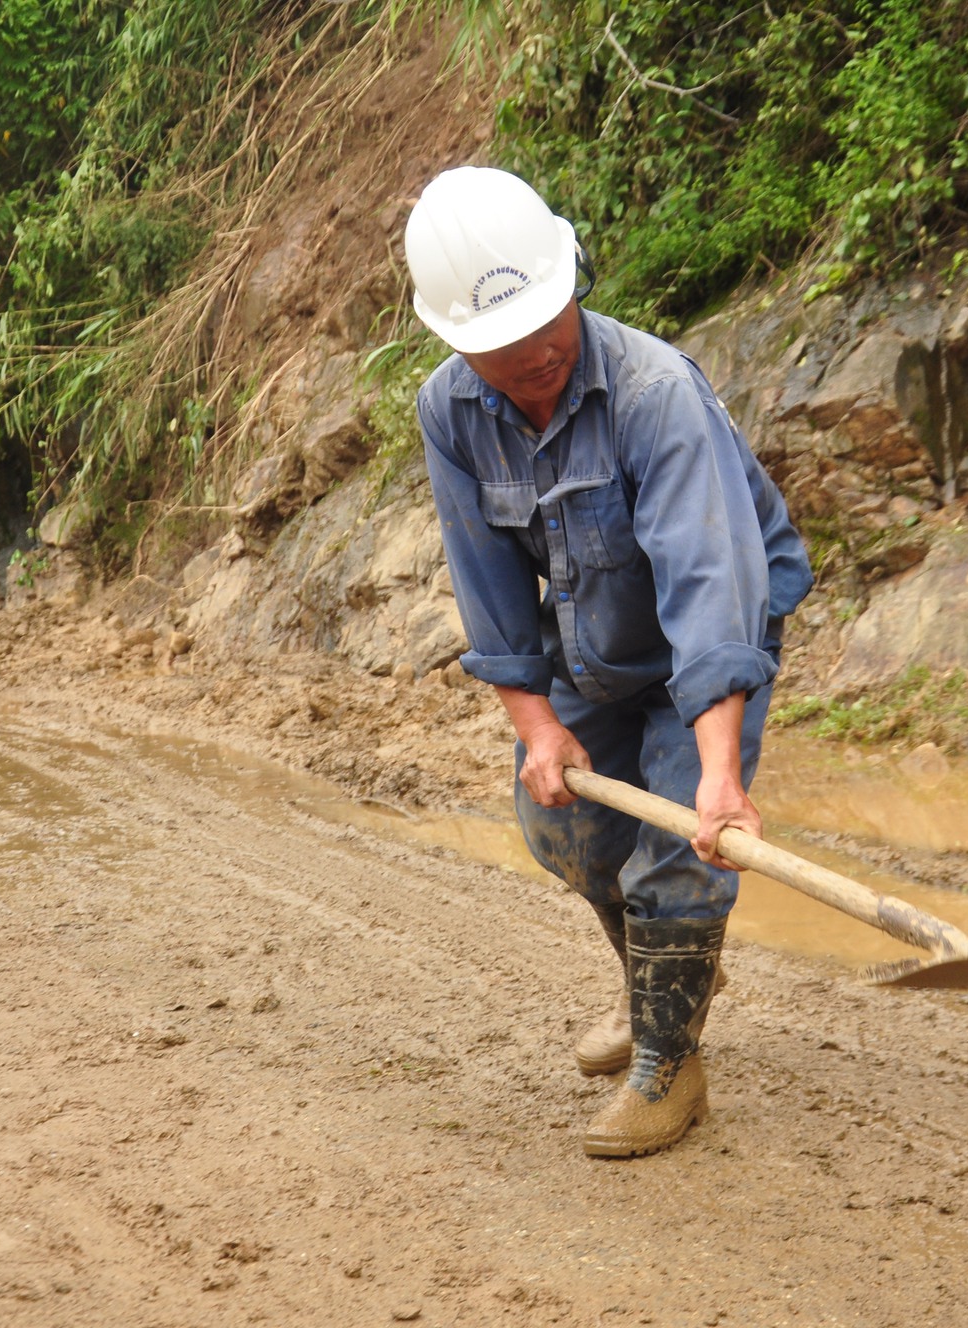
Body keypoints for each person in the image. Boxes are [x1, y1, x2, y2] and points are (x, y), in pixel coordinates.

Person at [404, 167, 812, 1158]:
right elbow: (486, 578)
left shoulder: (653, 391)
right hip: (588, 642)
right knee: (569, 831)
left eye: (550, 337)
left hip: (700, 636)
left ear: (574, 277)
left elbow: (709, 582)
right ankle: (663, 977)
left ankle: (669, 1062)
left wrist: (717, 772)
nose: (538, 363)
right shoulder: (448, 412)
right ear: (457, 342)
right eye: (507, 356)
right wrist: (536, 726)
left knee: (680, 851)